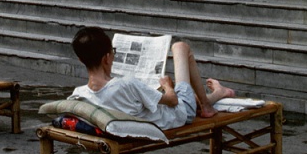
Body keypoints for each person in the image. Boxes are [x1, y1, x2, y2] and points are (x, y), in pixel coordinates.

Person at [69, 26, 235, 130]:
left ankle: (218, 94)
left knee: (188, 96)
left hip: (140, 114)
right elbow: (173, 101)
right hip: (179, 115)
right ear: (106, 58)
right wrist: (168, 86)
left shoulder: (80, 94)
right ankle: (207, 105)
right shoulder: (127, 84)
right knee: (180, 47)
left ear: (81, 60)